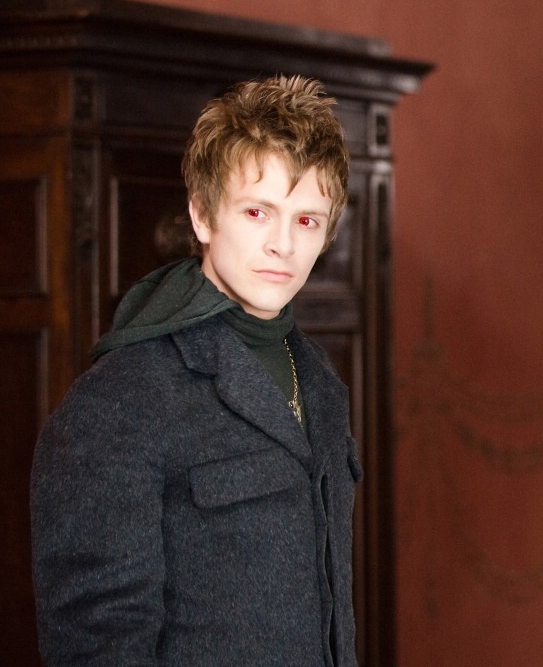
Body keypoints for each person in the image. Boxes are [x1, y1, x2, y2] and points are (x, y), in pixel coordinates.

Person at [30, 75, 362, 666]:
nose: (283, 245)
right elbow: (98, 643)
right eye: (258, 212)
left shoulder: (322, 383)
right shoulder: (120, 400)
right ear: (203, 216)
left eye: (307, 220)